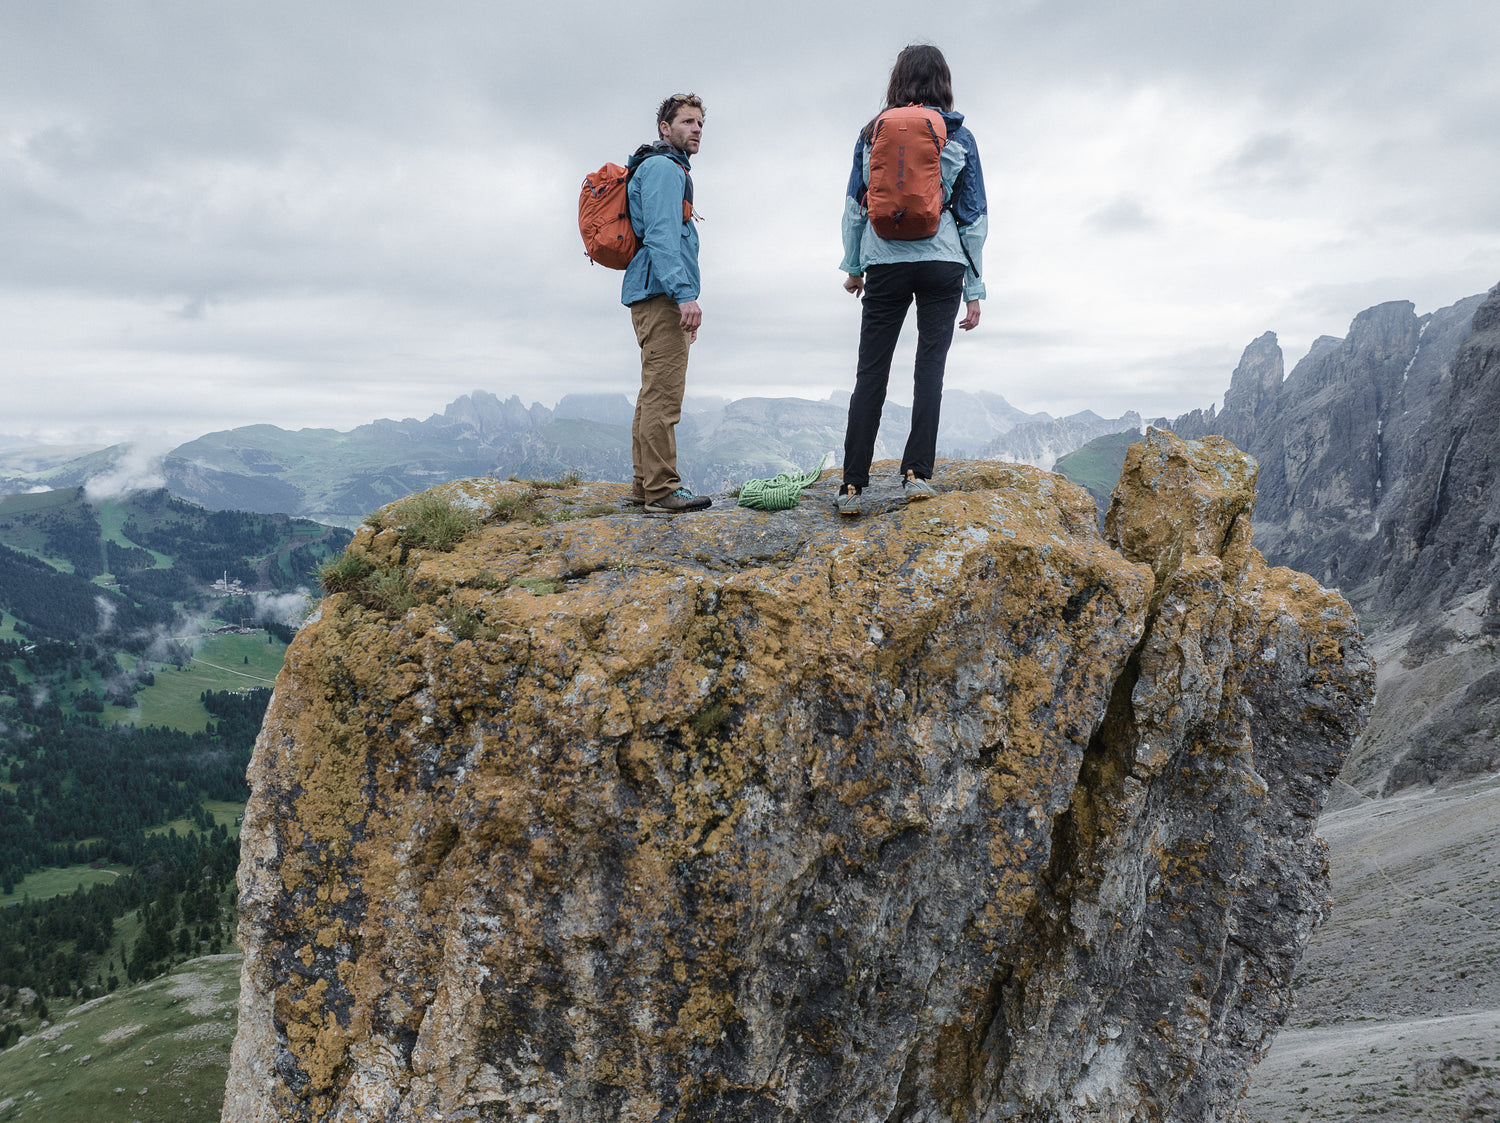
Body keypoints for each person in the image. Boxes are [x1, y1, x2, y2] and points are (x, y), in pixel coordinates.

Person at [837, 44, 987, 516]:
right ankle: (917, 475)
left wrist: (854, 267)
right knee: (930, 369)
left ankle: (852, 485)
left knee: (871, 371)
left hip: (885, 262)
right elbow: (973, 217)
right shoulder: (958, 135)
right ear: (943, 81)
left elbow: (855, 207)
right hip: (943, 263)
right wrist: (974, 289)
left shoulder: (872, 133)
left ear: (897, 80)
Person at [623, 93, 712, 514]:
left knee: (651, 392)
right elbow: (661, 235)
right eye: (687, 122)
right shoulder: (663, 168)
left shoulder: (662, 167)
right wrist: (684, 296)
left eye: (700, 123)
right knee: (664, 396)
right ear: (665, 128)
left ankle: (645, 485)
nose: (696, 129)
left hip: (653, 294)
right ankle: (661, 490)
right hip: (661, 294)